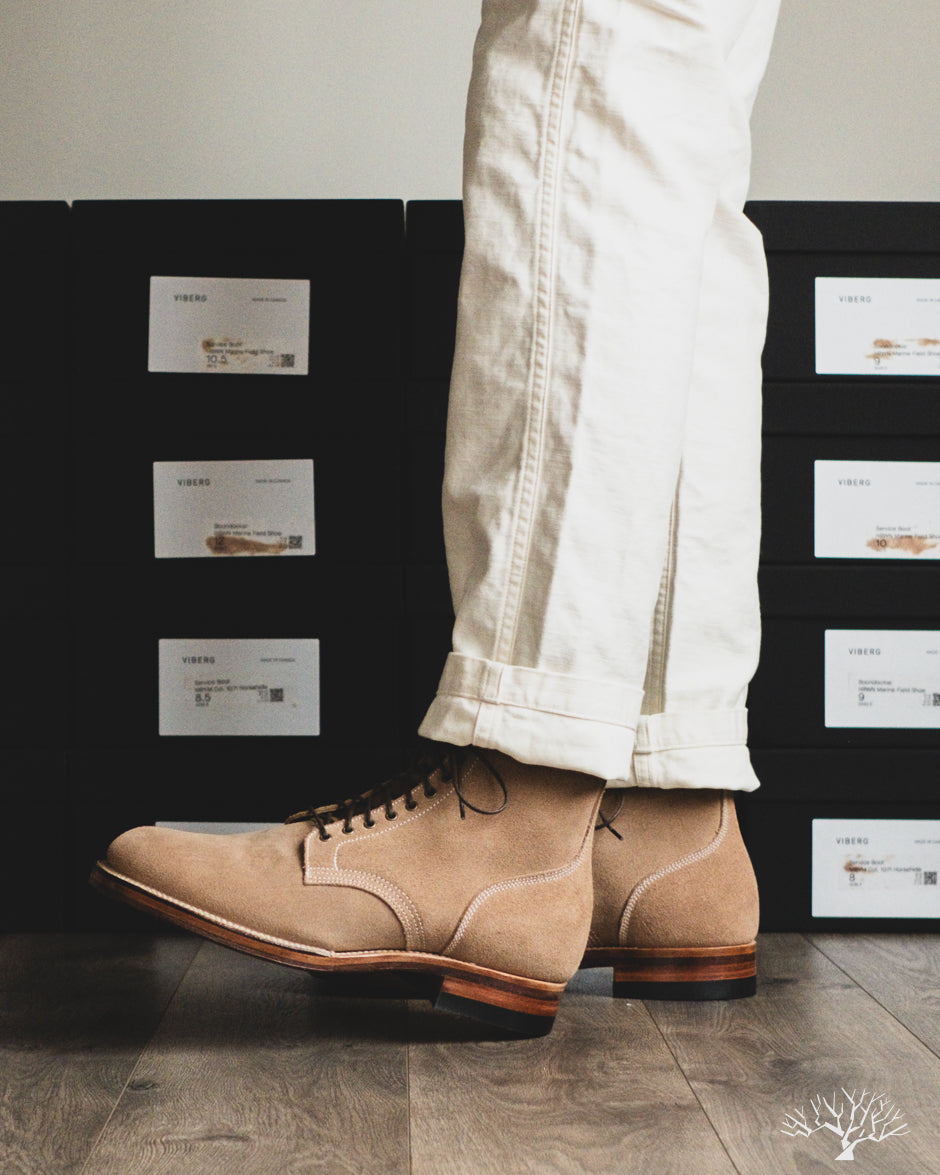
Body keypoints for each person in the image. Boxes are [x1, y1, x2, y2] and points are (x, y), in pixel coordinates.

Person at [92, 0, 781, 1037]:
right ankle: (660, 819)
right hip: (666, 819)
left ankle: (514, 822)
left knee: (592, 55)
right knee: (681, 129)